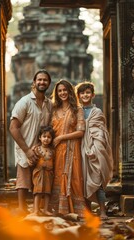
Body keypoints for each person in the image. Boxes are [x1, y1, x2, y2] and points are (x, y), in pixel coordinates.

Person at [9, 69, 52, 216]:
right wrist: (27, 150)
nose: (42, 82)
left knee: (40, 178)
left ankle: (38, 209)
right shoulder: (25, 102)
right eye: (39, 80)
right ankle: (21, 209)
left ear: (48, 84)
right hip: (25, 146)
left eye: (45, 80)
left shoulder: (49, 104)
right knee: (23, 178)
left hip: (41, 148)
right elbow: (13, 128)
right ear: (34, 83)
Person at [75, 81, 113, 220]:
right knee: (83, 180)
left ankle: (103, 211)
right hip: (80, 150)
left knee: (98, 180)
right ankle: (88, 212)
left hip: (96, 150)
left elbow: (101, 132)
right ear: (78, 95)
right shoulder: (76, 111)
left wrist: (94, 148)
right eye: (82, 93)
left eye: (88, 93)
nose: (85, 95)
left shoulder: (97, 112)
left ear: (93, 95)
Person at [49, 79, 87, 218]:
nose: (62, 93)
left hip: (72, 149)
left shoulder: (77, 109)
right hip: (56, 150)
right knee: (57, 178)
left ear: (70, 91)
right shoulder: (54, 110)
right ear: (56, 93)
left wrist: (61, 138)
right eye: (59, 91)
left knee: (73, 178)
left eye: (65, 90)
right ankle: (57, 208)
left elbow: (80, 132)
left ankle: (75, 209)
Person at [28, 125, 55, 216]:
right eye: (44, 136)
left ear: (51, 139)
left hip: (48, 173)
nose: (46, 139)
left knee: (47, 192)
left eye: (49, 137)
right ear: (40, 137)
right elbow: (31, 160)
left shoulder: (52, 150)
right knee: (37, 191)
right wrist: (30, 162)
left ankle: (45, 209)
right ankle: (36, 210)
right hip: (39, 172)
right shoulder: (36, 149)